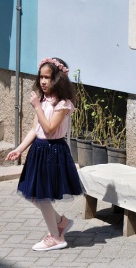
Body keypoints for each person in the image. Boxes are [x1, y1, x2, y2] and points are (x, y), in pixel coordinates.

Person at [5, 57, 84, 251]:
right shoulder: (42, 99)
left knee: (42, 196)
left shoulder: (63, 104)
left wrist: (38, 107)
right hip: (38, 150)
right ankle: (61, 222)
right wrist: (19, 149)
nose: (43, 81)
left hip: (52, 151)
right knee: (32, 194)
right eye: (41, 77)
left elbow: (49, 129)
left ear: (57, 79)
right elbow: (35, 129)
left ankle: (56, 237)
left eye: (47, 77)